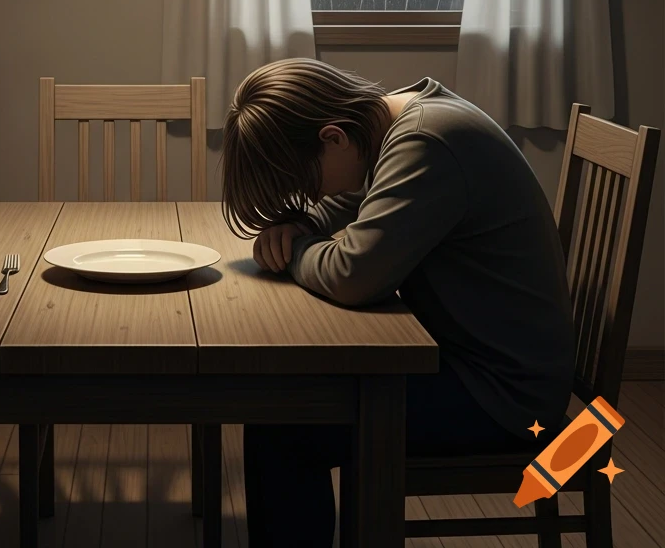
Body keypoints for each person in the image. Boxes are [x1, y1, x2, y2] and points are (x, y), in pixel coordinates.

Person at [220, 58, 574, 547]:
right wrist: (303, 223)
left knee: (284, 425)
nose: (310, 194)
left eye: (307, 182)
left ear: (333, 138)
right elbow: (358, 200)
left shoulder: (427, 142)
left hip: (505, 398)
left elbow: (352, 274)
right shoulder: (399, 119)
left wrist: (296, 248)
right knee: (286, 407)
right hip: (488, 368)